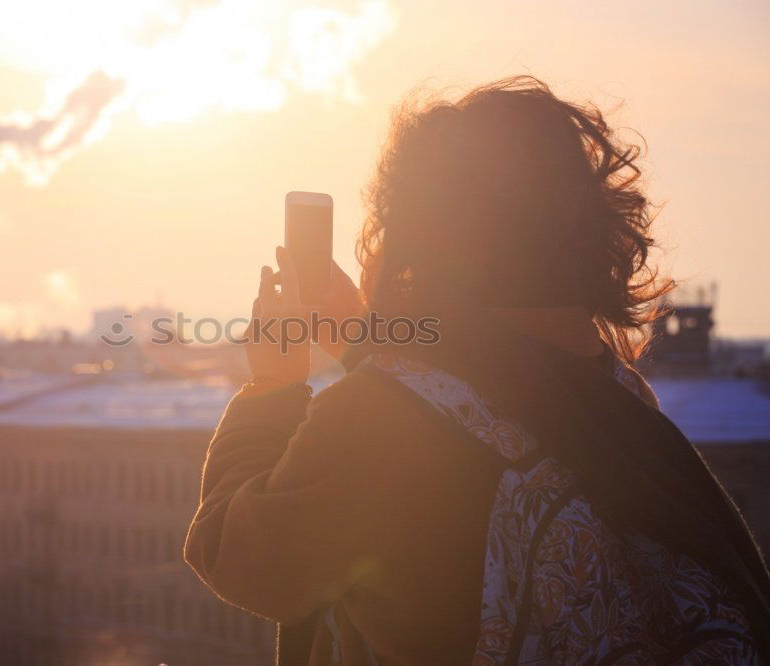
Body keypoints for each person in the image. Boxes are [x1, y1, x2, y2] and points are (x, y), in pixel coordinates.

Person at [183, 76, 770, 665]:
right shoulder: (614, 387)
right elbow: (491, 388)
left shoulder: (376, 417)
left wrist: (270, 387)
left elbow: (246, 561)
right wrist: (370, 340)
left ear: (425, 235)